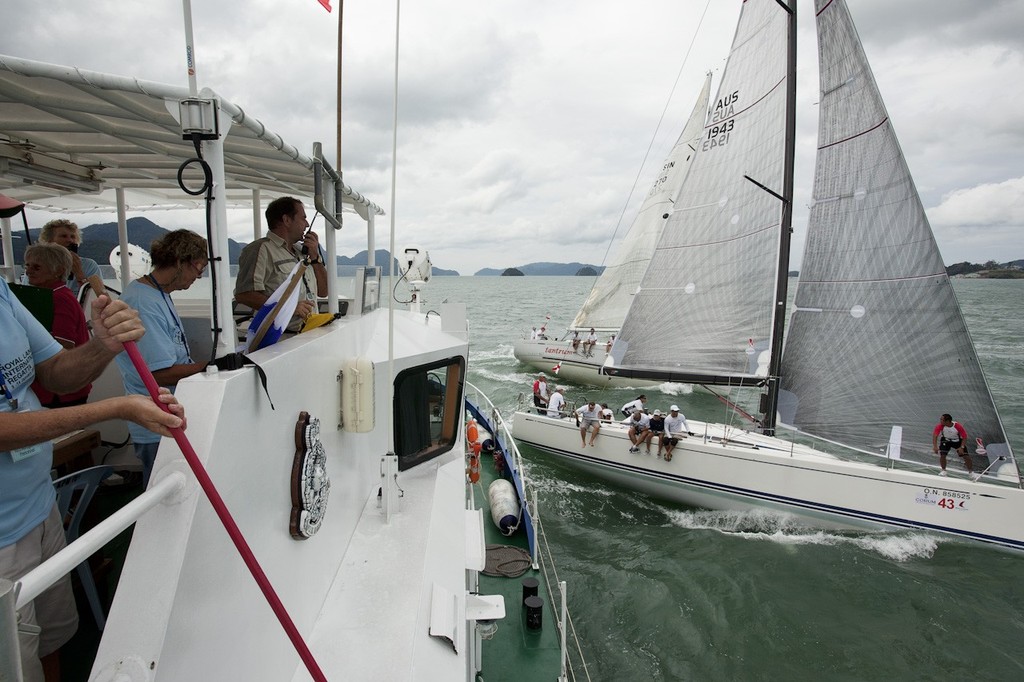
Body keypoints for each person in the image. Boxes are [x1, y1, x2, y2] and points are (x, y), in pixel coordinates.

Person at [1, 279, 184, 682]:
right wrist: (115, 408)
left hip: (38, 504)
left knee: (51, 641)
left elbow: (54, 373)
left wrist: (103, 345)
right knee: (15, 664)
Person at [115, 230, 209, 486]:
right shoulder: (143, 302)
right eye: (197, 268)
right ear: (180, 261)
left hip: (167, 416)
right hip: (155, 424)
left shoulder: (158, 294)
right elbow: (158, 373)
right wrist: (210, 366)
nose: (197, 277)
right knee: (164, 500)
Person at [234, 196, 327, 333]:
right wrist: (289, 307)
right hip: (280, 338)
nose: (307, 224)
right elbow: (244, 294)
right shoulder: (261, 250)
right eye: (303, 218)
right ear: (287, 220)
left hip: (307, 334)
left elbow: (324, 291)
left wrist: (315, 257)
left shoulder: (301, 252)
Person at [24, 243, 92, 407]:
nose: (28, 271)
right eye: (27, 265)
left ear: (59, 271)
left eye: (37, 267)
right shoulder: (50, 295)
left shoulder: (59, 298)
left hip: (61, 392)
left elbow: (64, 345)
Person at [38, 218, 106, 299]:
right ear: (49, 241)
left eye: (73, 237)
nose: (70, 240)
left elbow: (99, 298)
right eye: (63, 236)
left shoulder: (89, 265)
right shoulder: (37, 266)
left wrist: (79, 274)